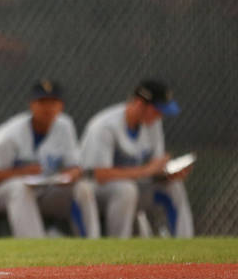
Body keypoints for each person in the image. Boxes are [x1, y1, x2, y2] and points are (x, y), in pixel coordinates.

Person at [0, 79, 99, 238]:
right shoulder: (10, 134)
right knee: (20, 188)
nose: (48, 108)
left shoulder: (65, 126)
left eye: (53, 102)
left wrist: (73, 174)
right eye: (42, 102)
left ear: (60, 106)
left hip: (43, 191)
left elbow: (74, 166)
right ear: (31, 105)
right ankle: (36, 244)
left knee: (82, 188)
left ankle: (92, 242)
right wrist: (22, 172)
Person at [79, 79, 194, 238]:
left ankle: (185, 246)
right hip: (96, 193)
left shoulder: (153, 124)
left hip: (135, 187)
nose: (160, 115)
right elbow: (98, 174)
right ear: (140, 104)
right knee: (125, 189)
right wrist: (146, 171)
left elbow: (154, 168)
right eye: (157, 110)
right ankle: (118, 248)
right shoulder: (105, 126)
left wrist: (167, 174)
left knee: (173, 186)